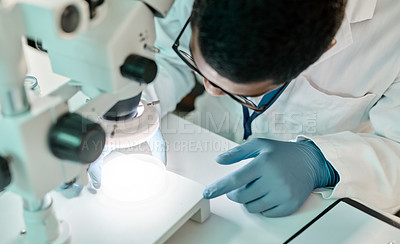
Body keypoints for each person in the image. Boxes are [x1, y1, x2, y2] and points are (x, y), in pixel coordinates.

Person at [99, 0, 400, 217]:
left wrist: (323, 163)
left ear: (324, 50)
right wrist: (120, 116)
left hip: (309, 202)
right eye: (199, 64)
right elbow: (163, 59)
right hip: (201, 145)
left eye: (242, 91)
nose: (209, 89)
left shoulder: (392, 30)